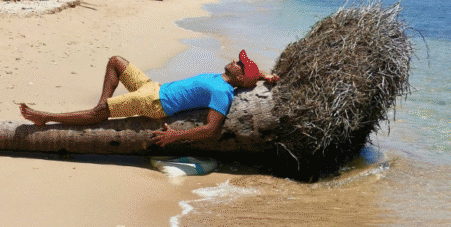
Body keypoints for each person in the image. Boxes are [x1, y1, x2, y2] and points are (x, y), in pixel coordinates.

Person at [19, 50, 278, 147]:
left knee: (99, 113)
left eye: (239, 64)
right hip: (153, 87)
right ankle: (102, 106)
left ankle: (45, 118)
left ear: (240, 77)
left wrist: (175, 136)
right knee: (116, 61)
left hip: (153, 103)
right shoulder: (224, 78)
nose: (234, 61)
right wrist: (264, 75)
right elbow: (249, 78)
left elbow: (211, 129)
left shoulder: (222, 93)